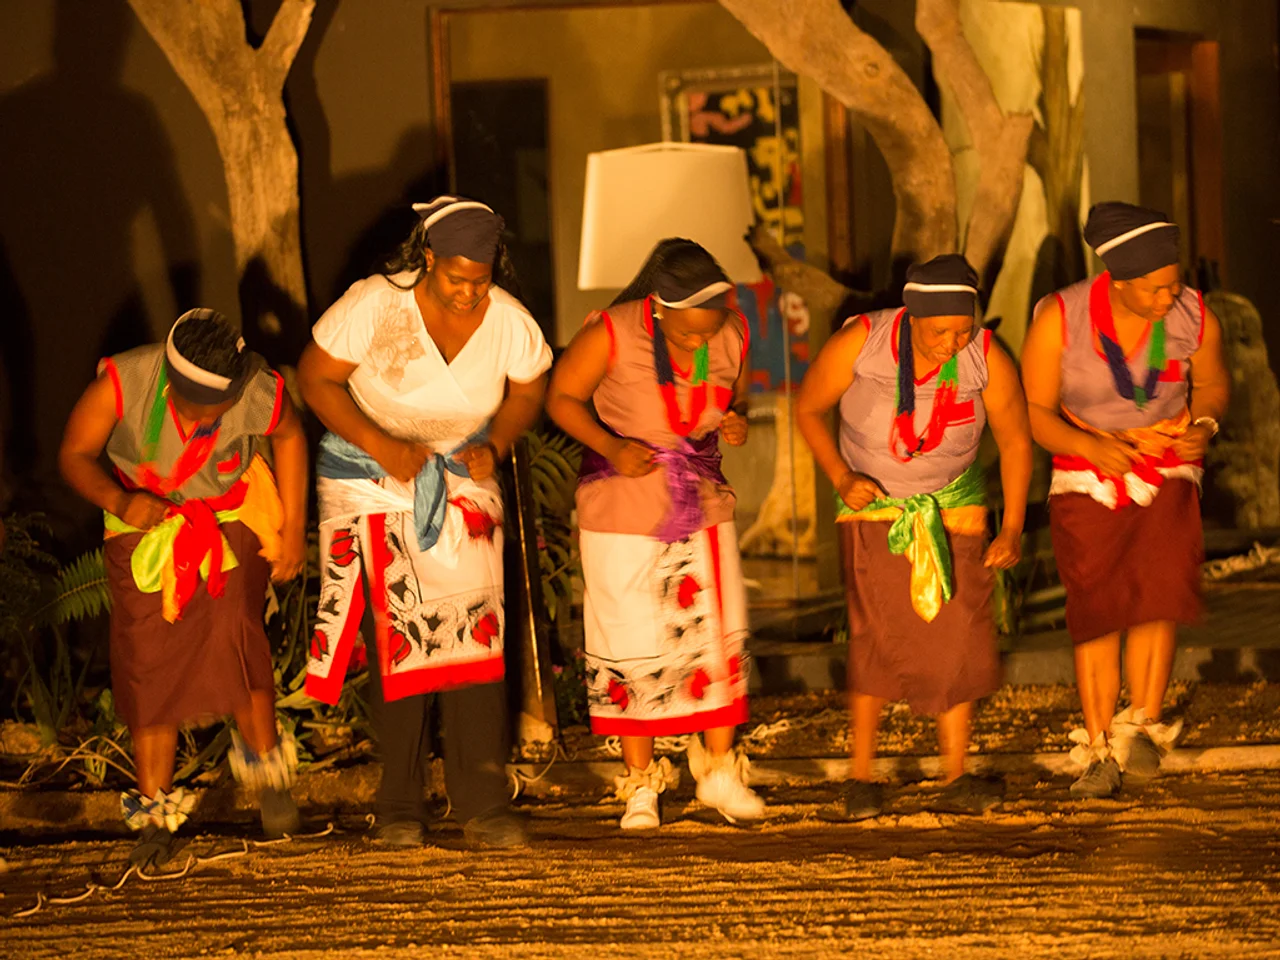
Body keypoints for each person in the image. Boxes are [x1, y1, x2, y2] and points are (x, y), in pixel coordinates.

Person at [298, 196, 551, 848]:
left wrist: (496, 445)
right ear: (428, 258)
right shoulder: (377, 303)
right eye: (455, 278)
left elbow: (528, 388)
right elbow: (316, 379)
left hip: (465, 484)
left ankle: (483, 804)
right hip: (378, 477)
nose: (469, 292)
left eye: (482, 278)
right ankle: (401, 809)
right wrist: (384, 445)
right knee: (403, 643)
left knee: (475, 640)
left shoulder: (509, 322)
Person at [58, 308, 308, 866]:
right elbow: (73, 456)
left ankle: (271, 784)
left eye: (215, 411)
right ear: (172, 383)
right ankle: (153, 816)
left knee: (236, 636)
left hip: (228, 513)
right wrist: (120, 500)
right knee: (149, 662)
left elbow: (289, 435)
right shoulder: (123, 384)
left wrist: (292, 527)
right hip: (143, 524)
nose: (202, 424)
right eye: (194, 410)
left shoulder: (256, 388)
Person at [795, 254, 1032, 818]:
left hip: (954, 509)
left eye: (963, 328)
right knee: (875, 637)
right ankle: (861, 777)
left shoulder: (985, 354)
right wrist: (842, 476)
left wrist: (1016, 525)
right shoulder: (863, 340)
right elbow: (808, 409)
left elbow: (1018, 440)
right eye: (939, 332)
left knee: (960, 635)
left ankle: (957, 773)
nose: (954, 343)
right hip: (876, 510)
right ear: (910, 316)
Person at [546, 238, 764, 830]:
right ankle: (641, 783)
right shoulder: (611, 332)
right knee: (630, 638)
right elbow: (561, 398)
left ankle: (718, 768)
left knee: (717, 631)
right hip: (624, 505)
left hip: (702, 499)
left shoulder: (731, 330)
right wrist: (612, 445)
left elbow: (732, 393)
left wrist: (736, 419)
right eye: (689, 333)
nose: (701, 341)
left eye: (709, 331)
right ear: (661, 308)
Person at [1020, 202, 1229, 798]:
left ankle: (1142, 723)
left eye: (1175, 282)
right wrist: (1089, 444)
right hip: (1087, 470)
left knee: (1159, 589)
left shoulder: (1192, 312)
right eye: (1157, 288)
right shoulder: (1061, 317)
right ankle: (1098, 748)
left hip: (1167, 464)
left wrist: (1206, 423)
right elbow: (1035, 412)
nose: (1171, 297)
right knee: (1099, 606)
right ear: (1119, 280)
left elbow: (1212, 381)